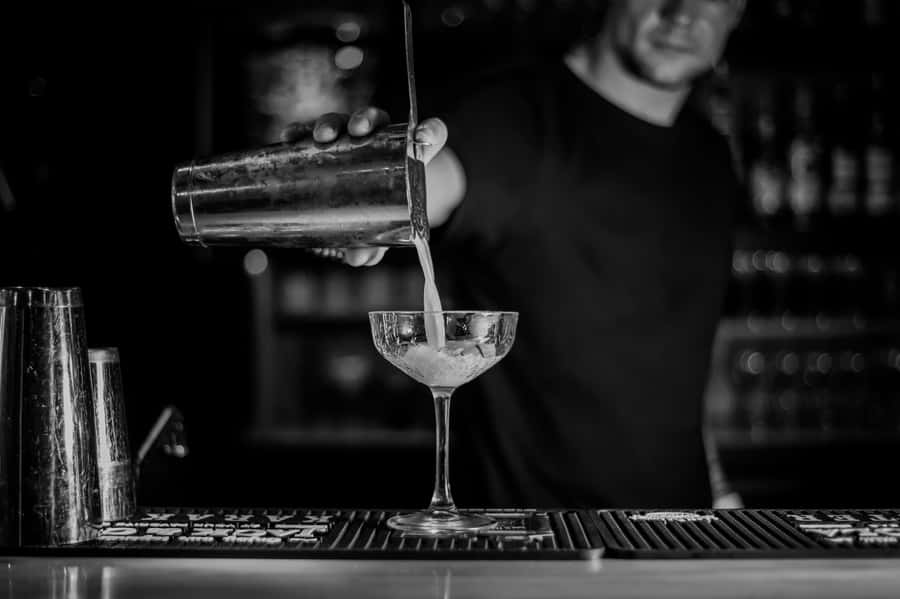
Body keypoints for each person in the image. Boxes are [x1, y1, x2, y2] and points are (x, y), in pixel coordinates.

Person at [290, 0, 747, 508]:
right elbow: (425, 183)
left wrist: (719, 489)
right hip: (536, 548)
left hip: (679, 539)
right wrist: (348, 185)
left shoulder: (709, 156)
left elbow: (674, 360)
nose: (683, 13)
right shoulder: (513, 121)